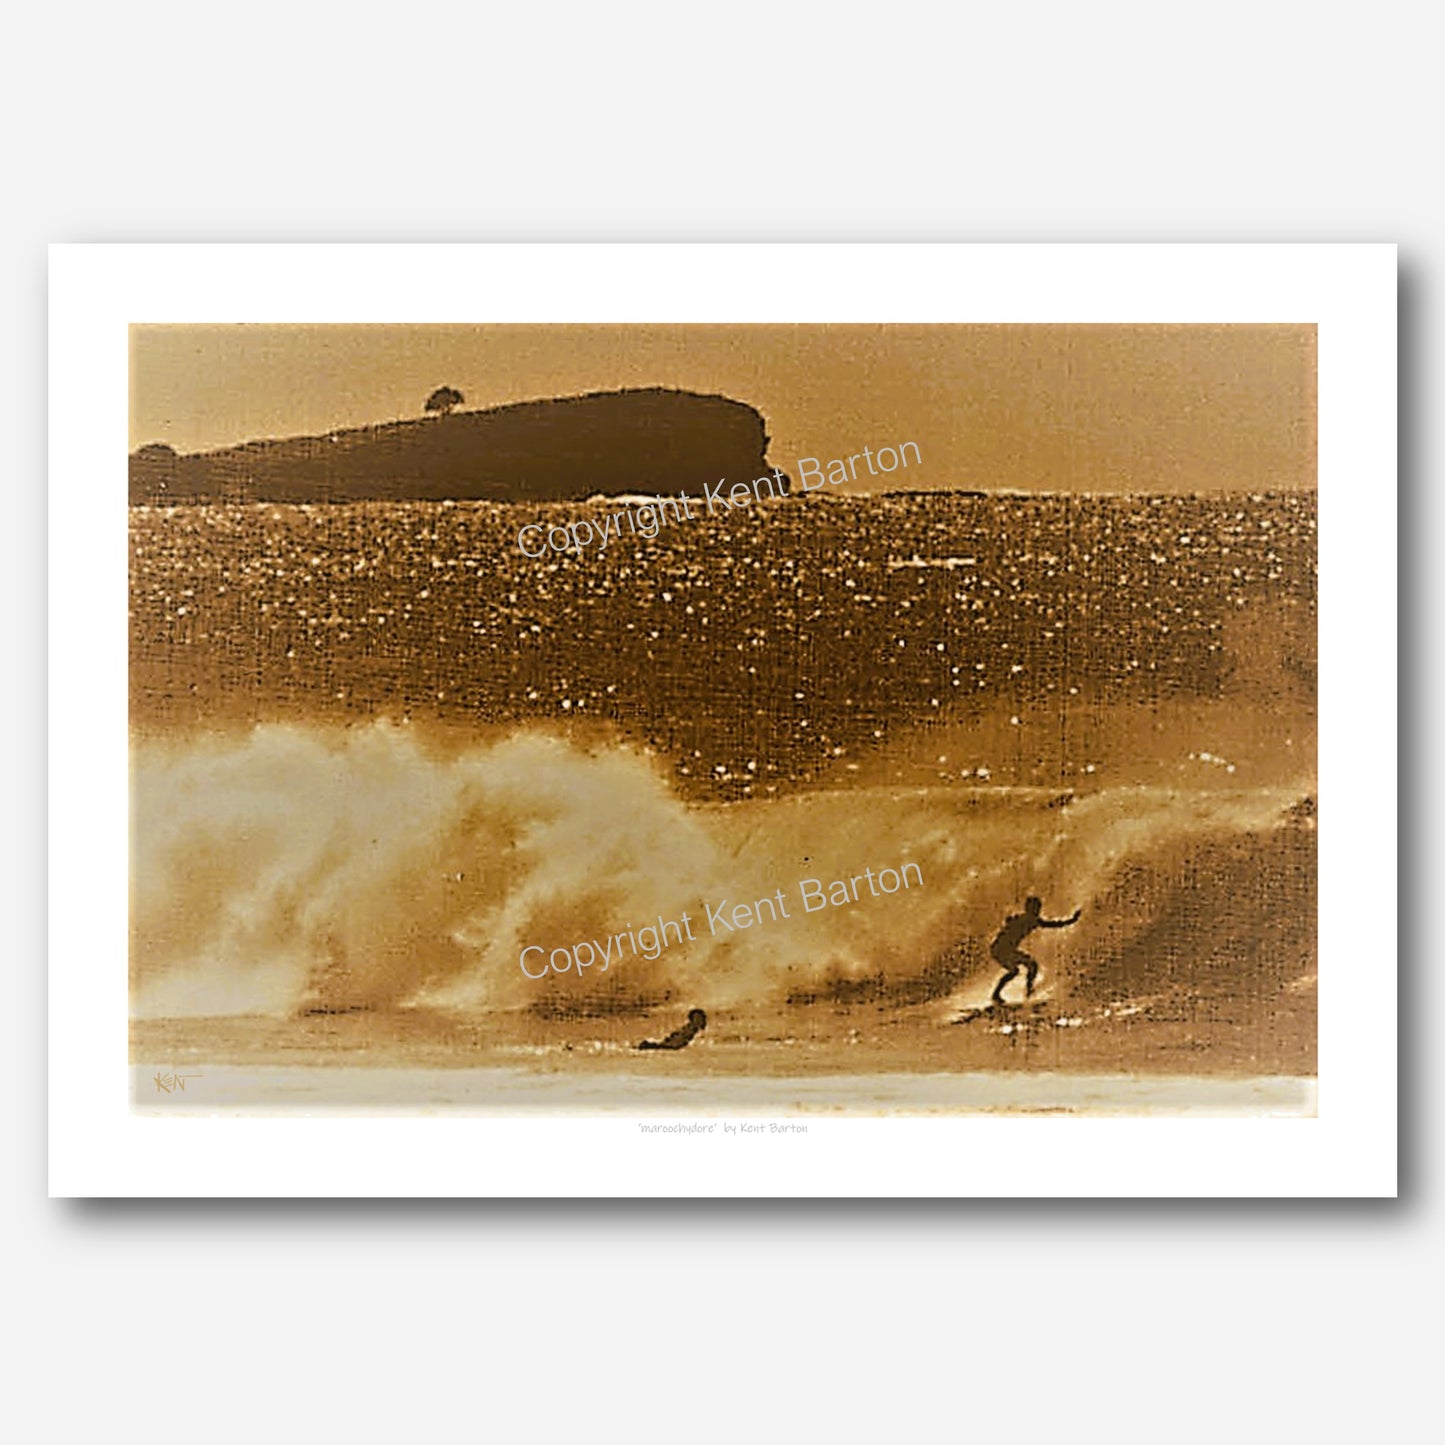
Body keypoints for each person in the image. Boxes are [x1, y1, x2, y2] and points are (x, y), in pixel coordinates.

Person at [989, 897, 1081, 1005]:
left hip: (999, 948)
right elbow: (1053, 924)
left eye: (1038, 908)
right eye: (1036, 909)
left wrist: (1071, 920)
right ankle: (1025, 993)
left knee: (1019, 969)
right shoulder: (1030, 919)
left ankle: (1005, 994)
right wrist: (1072, 920)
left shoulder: (1025, 918)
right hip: (1001, 949)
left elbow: (1053, 924)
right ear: (1030, 909)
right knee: (1027, 967)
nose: (1038, 911)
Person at [637, 1008, 708, 1051]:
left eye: (699, 1018)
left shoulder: (694, 1029)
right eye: (696, 1018)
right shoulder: (690, 1027)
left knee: (657, 1045)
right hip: (672, 1044)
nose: (698, 1020)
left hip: (673, 1045)